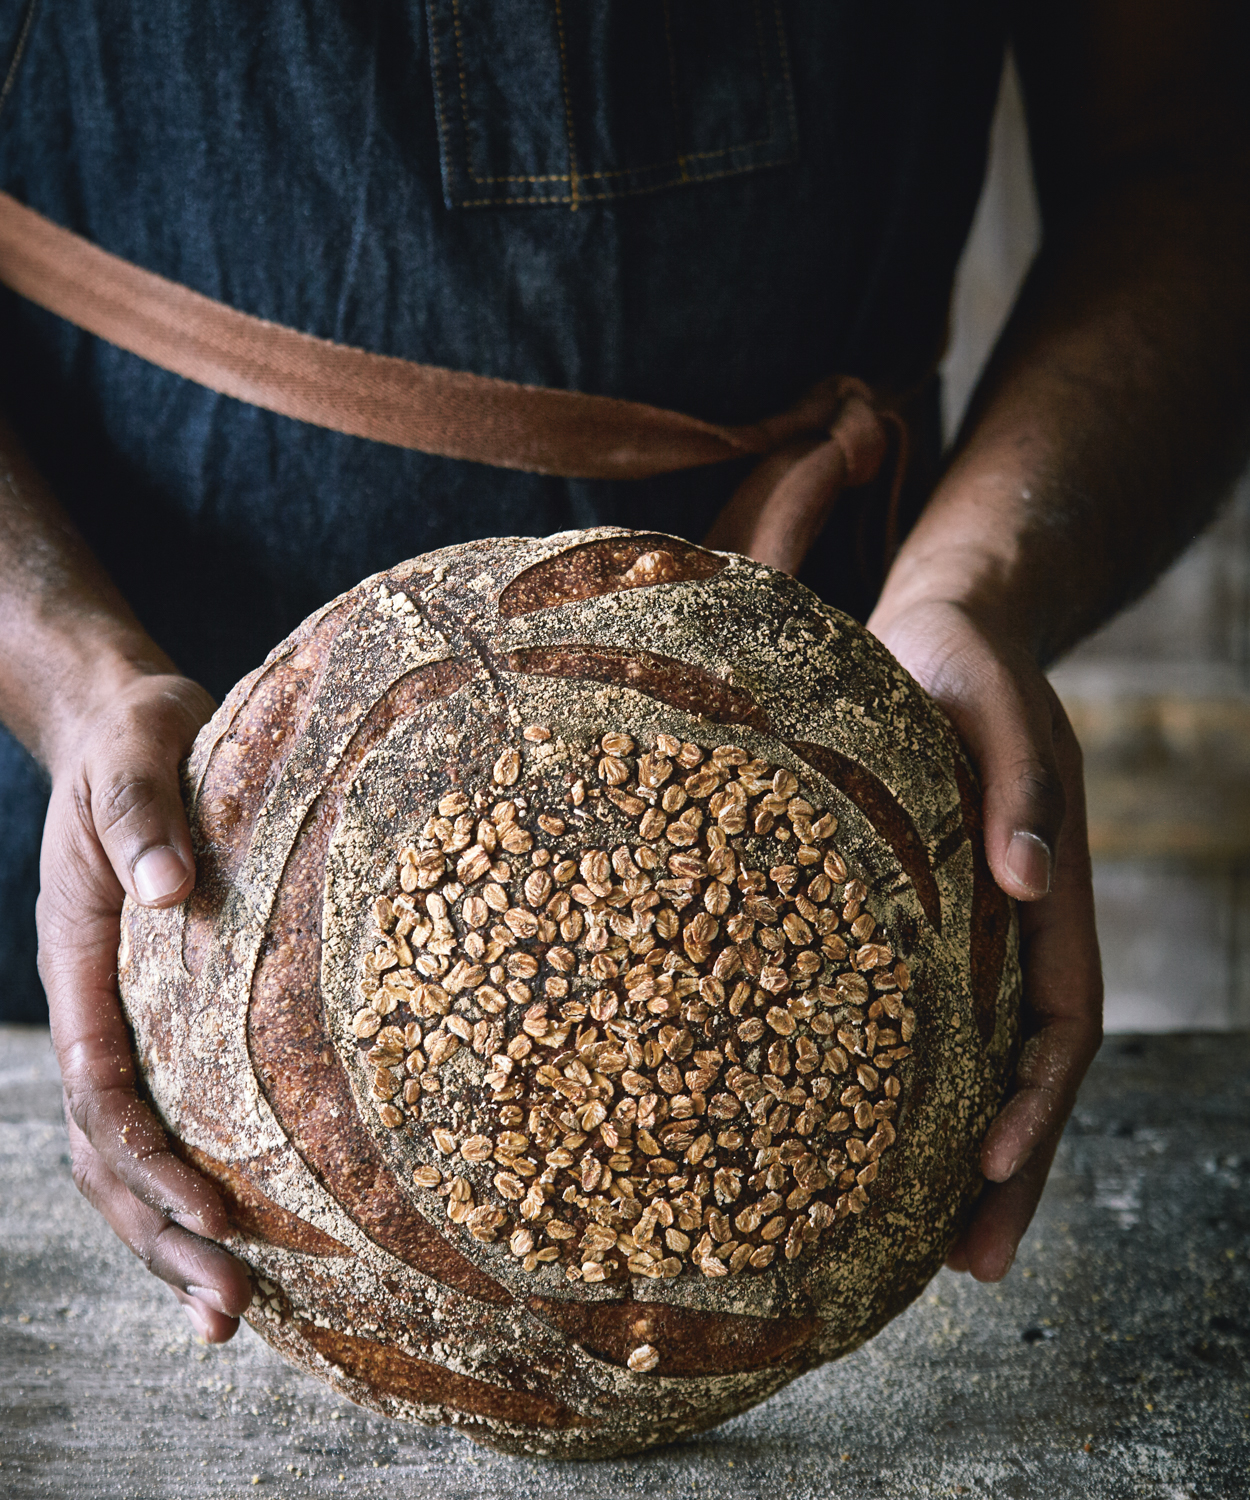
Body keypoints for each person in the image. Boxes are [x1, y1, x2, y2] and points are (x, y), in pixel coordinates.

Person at [0, 1, 1246, 1346]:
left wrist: (977, 585)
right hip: (149, 774)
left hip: (842, 735)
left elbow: (1182, 167)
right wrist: (66, 672)